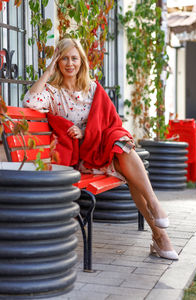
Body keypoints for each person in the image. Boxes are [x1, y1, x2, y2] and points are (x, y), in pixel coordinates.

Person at [23, 38, 178, 260]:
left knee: (122, 149)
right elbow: (30, 102)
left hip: (103, 149)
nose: (69, 64)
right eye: (64, 58)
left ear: (81, 61)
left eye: (74, 58)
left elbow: (109, 123)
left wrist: (86, 132)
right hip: (83, 158)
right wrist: (47, 71)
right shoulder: (53, 93)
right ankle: (160, 235)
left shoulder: (92, 88)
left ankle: (155, 210)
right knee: (127, 164)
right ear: (57, 62)